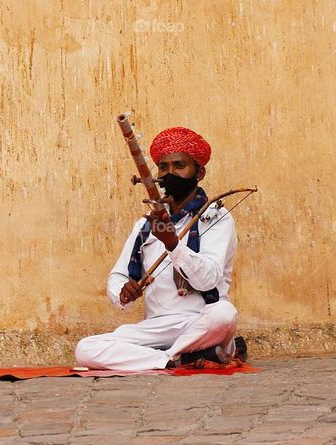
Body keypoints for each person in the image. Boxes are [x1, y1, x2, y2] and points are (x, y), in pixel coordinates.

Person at [74, 126, 244, 373]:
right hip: (155, 327)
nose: (170, 173)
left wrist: (173, 244)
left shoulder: (215, 218)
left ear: (200, 172)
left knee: (225, 313)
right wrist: (122, 292)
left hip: (200, 321)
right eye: (163, 167)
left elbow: (208, 280)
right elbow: (118, 275)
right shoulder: (146, 225)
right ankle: (174, 360)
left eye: (179, 165)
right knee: (86, 348)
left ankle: (167, 355)